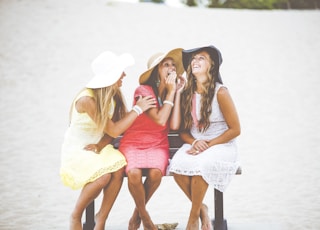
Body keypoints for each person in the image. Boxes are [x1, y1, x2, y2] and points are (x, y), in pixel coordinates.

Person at [59, 51, 156, 230]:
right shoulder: (87, 99)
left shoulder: (113, 94)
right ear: (111, 76)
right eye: (121, 71)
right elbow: (113, 129)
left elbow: (118, 126)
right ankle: (76, 215)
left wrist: (101, 145)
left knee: (118, 169)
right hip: (79, 149)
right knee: (103, 177)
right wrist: (138, 109)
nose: (124, 75)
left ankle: (101, 219)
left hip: (98, 147)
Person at [168, 45, 241, 230]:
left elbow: (235, 130)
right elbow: (183, 131)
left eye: (201, 58)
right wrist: (194, 142)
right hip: (196, 143)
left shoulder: (221, 93)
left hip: (222, 144)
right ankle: (201, 209)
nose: (195, 61)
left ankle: (193, 218)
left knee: (202, 165)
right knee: (176, 166)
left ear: (212, 66)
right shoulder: (187, 94)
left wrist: (208, 145)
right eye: (193, 59)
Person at [118, 48, 186, 230]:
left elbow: (173, 125)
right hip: (134, 142)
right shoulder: (143, 90)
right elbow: (159, 118)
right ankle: (146, 219)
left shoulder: (170, 93)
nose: (171, 68)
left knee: (156, 174)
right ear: (157, 71)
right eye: (166, 65)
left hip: (158, 143)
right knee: (134, 174)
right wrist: (171, 92)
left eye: (173, 65)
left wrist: (177, 92)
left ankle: (136, 216)